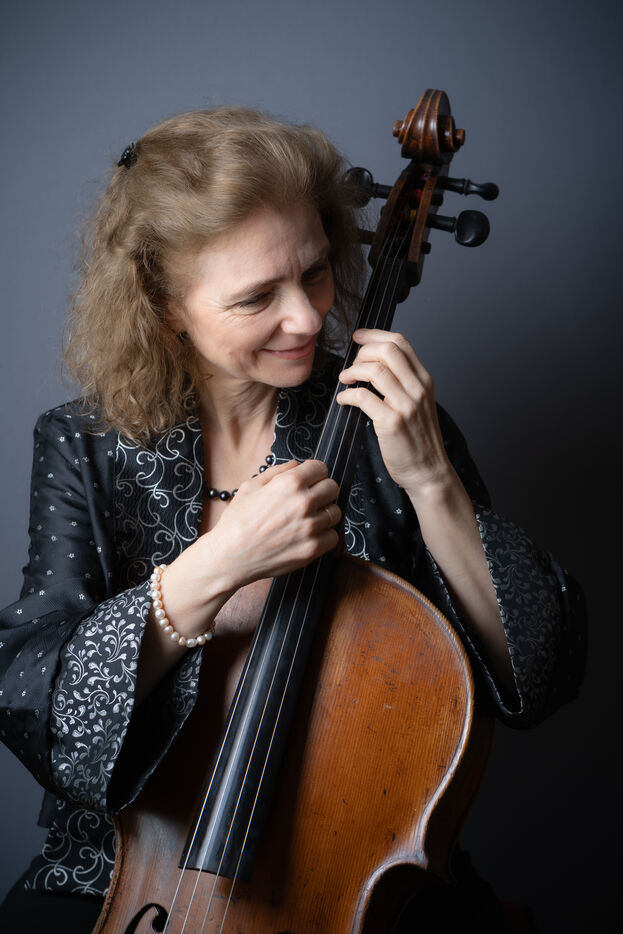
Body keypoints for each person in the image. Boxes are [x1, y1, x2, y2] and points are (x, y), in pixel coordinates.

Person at [0, 107, 585, 933]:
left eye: (313, 272)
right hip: (125, 867)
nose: (309, 318)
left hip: (352, 863)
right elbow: (43, 712)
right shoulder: (84, 443)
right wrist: (218, 564)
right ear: (165, 305)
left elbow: (537, 679)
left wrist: (432, 481)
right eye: (256, 298)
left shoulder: (384, 415)